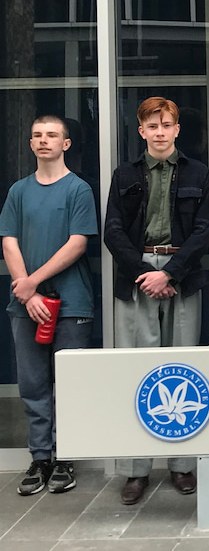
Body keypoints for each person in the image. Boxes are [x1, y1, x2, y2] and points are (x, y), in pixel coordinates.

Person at [104, 97, 209, 505]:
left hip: (180, 276)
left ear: (177, 129)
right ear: (141, 131)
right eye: (153, 125)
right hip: (137, 278)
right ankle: (135, 470)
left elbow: (205, 230)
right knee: (138, 370)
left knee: (182, 370)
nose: (161, 131)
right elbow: (113, 230)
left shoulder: (198, 173)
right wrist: (146, 273)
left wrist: (169, 273)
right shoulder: (124, 174)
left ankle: (181, 464)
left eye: (167, 124)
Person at [0, 116, 97, 496]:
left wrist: (31, 283)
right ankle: (40, 458)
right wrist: (27, 294)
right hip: (25, 306)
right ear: (30, 143)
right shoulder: (18, 192)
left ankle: (66, 458)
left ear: (66, 144)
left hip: (71, 302)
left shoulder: (78, 189)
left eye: (52, 135)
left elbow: (77, 244)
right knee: (33, 384)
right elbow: (8, 241)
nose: (44, 141)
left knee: (68, 384)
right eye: (37, 135)